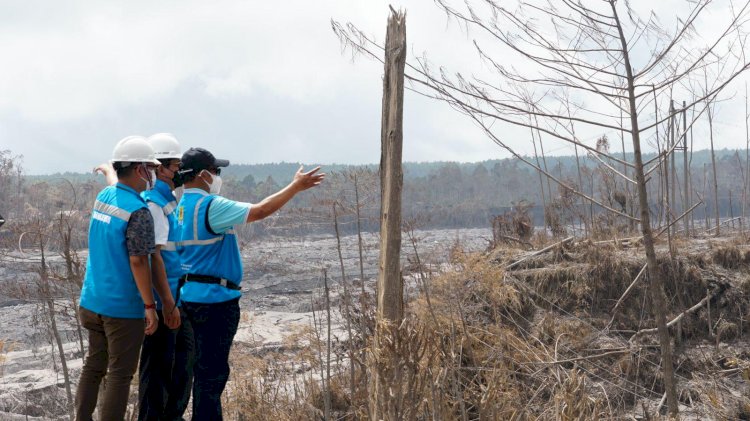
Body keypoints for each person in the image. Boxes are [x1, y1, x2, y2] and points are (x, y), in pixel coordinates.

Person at [176, 147, 324, 420]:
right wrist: (295, 187)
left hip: (187, 301)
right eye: (216, 171)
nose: (218, 177)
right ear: (203, 174)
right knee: (211, 377)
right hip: (216, 303)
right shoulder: (212, 206)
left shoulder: (179, 208)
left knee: (196, 374)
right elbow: (260, 210)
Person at [75, 136, 170, 421]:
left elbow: (114, 183)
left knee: (93, 367)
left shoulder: (105, 198)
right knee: (119, 374)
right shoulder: (139, 212)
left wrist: (107, 170)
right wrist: (150, 306)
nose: (153, 173)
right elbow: (140, 260)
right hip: (121, 309)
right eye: (151, 168)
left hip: (91, 302)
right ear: (140, 169)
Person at [138, 133, 194, 421]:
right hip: (164, 301)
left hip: (175, 296)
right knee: (158, 368)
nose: (180, 171)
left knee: (182, 363)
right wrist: (166, 305)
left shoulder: (166, 199)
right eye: (176, 165)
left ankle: (172, 416)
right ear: (160, 167)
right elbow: (153, 256)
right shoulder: (153, 204)